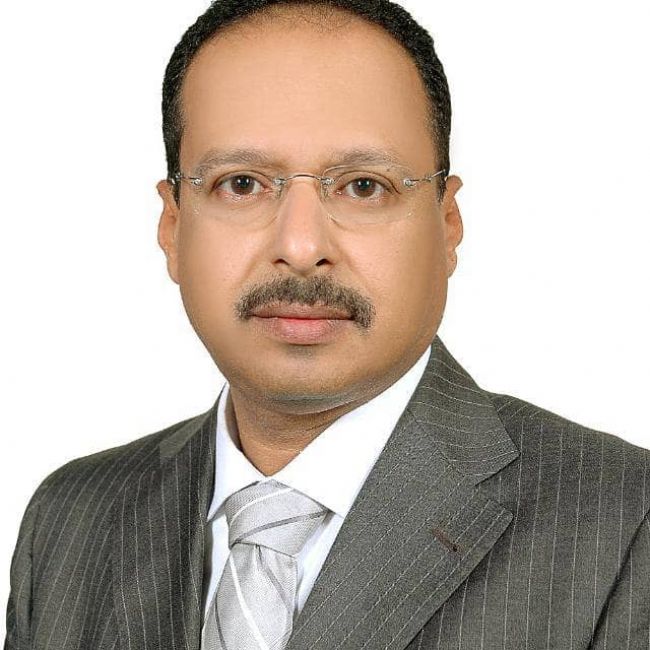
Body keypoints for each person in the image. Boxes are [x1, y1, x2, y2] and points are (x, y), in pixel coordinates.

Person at [4, 0, 649, 648]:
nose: (302, 245)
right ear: (173, 225)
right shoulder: (69, 522)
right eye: (242, 184)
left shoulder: (625, 526)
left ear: (447, 224)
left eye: (364, 186)